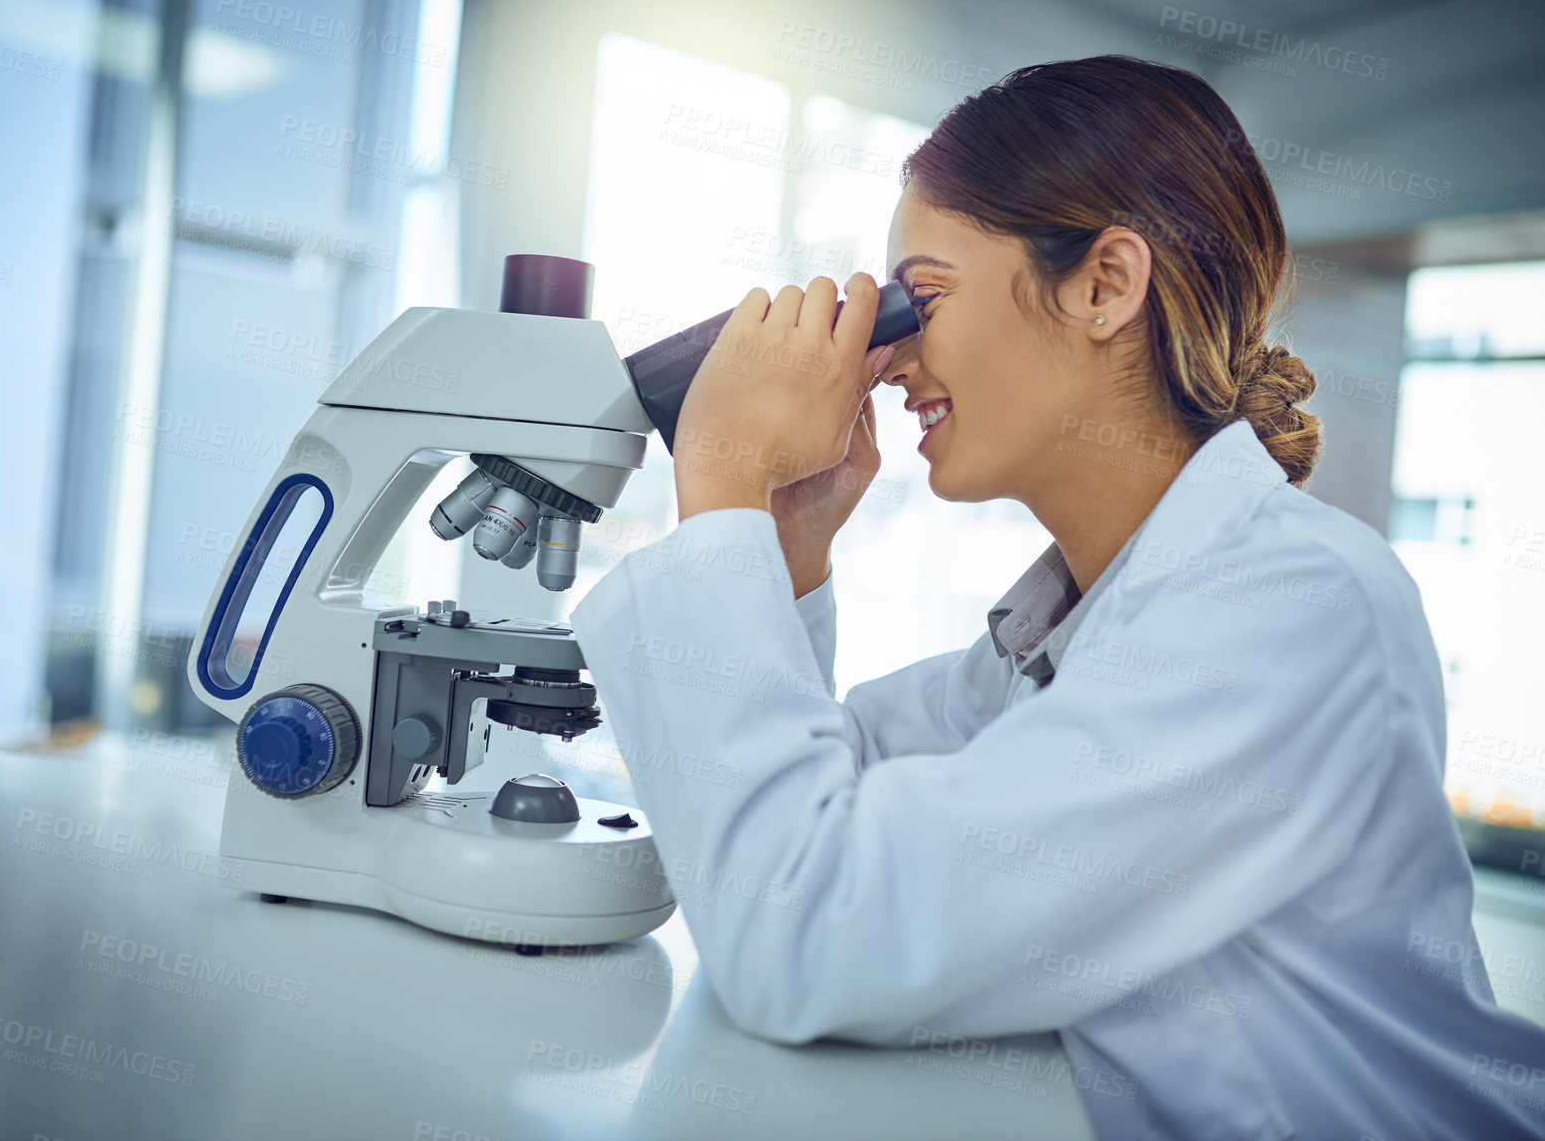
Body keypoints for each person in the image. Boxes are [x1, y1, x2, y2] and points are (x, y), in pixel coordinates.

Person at [568, 56, 1545, 1140]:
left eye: (922, 298)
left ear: (1104, 285)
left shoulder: (1291, 608)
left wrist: (720, 477)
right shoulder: (1070, 631)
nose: (886, 362)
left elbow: (809, 934)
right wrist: (783, 543)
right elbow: (815, 805)